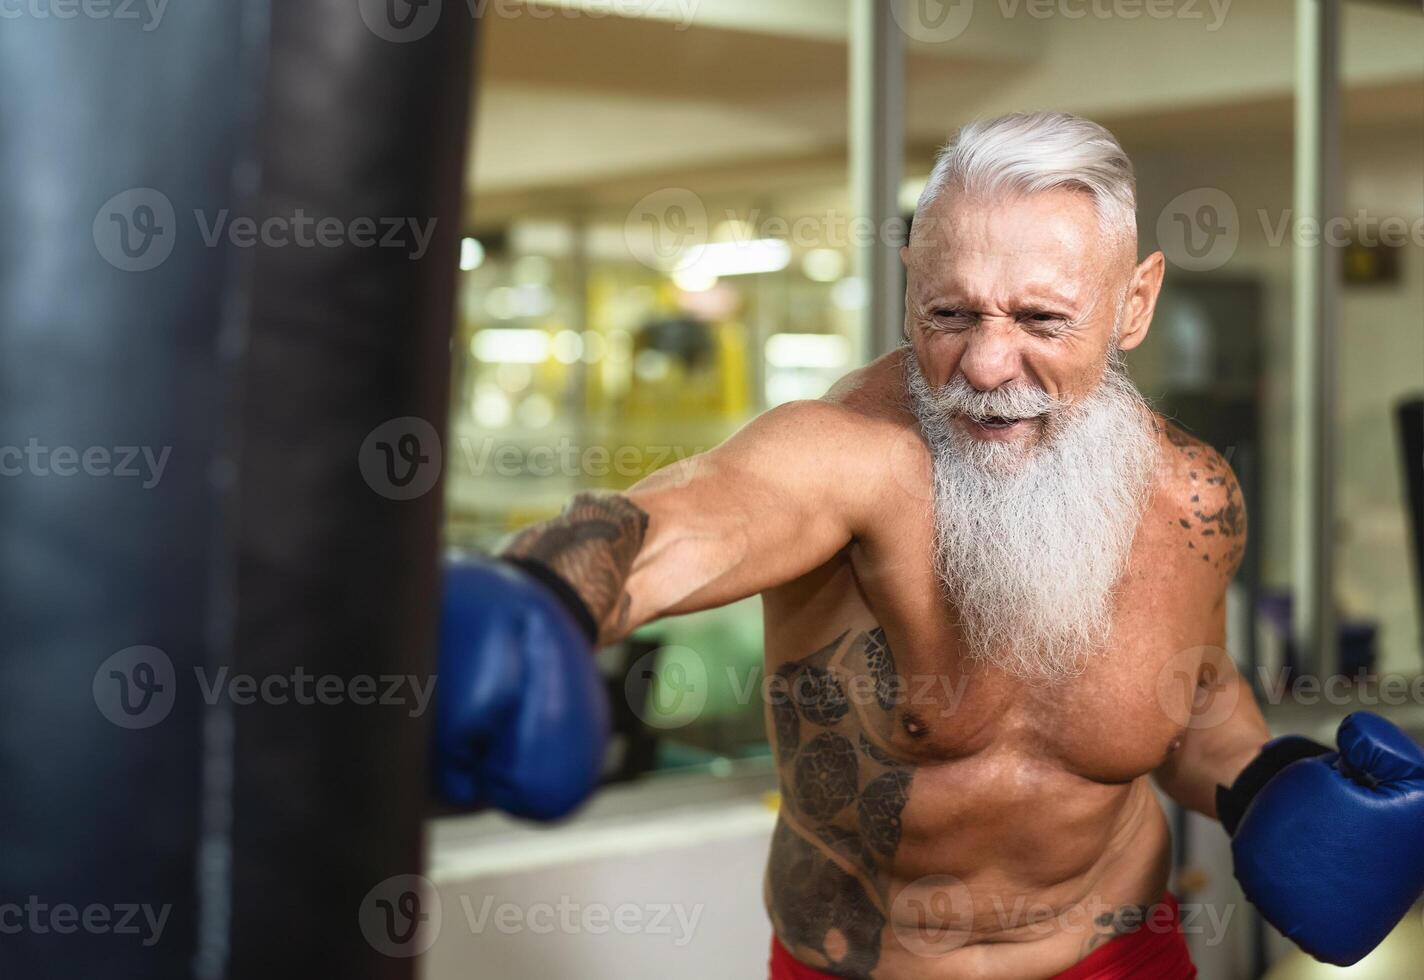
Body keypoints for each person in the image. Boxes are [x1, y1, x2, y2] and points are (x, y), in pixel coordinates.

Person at [434, 111, 1424, 978]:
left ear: (1132, 303)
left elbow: (1189, 693)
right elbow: (682, 519)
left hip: (1119, 960)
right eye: (948, 314)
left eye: (1041, 318)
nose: (987, 365)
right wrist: (542, 597)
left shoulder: (1187, 495)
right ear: (911, 284)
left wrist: (1258, 779)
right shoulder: (849, 456)